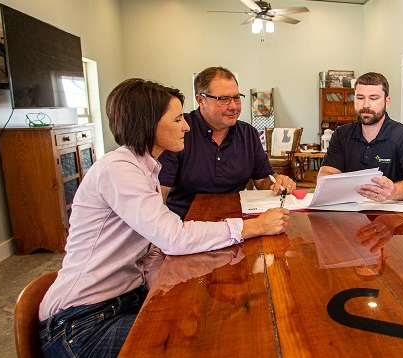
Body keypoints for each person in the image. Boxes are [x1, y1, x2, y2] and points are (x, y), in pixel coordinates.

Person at [38, 78, 290, 358]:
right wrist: (253, 226)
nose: (185, 126)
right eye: (178, 118)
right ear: (149, 123)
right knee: (198, 345)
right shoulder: (118, 169)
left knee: (214, 324)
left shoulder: (146, 167)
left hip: (123, 302)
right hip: (83, 322)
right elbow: (173, 237)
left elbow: (152, 245)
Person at [158, 66, 295, 219]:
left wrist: (277, 182)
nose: (234, 107)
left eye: (236, 98)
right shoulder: (180, 131)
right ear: (200, 100)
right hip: (187, 225)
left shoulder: (248, 133)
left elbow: (263, 179)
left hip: (237, 223)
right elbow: (160, 195)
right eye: (223, 99)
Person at [319, 72, 403, 201]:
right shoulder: (341, 134)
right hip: (349, 211)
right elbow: (326, 174)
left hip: (392, 214)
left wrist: (395, 191)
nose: (366, 105)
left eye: (373, 98)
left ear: (387, 101)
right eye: (360, 98)